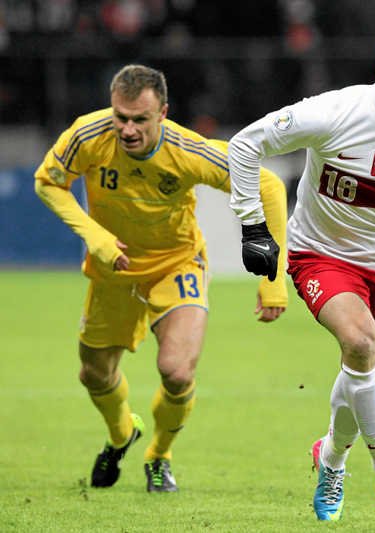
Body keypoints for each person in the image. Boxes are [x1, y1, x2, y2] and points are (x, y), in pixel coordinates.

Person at [228, 19, 375, 521]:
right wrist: (252, 227)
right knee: (360, 343)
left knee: (364, 371)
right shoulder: (335, 112)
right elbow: (246, 144)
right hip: (321, 255)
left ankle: (331, 457)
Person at [34, 64, 288, 493]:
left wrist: (272, 279)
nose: (127, 129)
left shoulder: (188, 150)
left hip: (177, 264)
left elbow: (267, 187)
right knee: (93, 375)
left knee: (176, 372)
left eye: (139, 120)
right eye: (121, 117)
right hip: (114, 270)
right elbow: (49, 183)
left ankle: (159, 455)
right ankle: (120, 435)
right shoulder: (86, 135)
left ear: (163, 114)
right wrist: (94, 236)